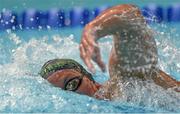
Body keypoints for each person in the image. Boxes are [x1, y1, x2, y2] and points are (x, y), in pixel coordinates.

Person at [40, 4, 180, 100]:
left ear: (89, 79)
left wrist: (92, 29)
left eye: (71, 84)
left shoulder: (124, 81)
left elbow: (131, 16)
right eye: (62, 96)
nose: (72, 97)